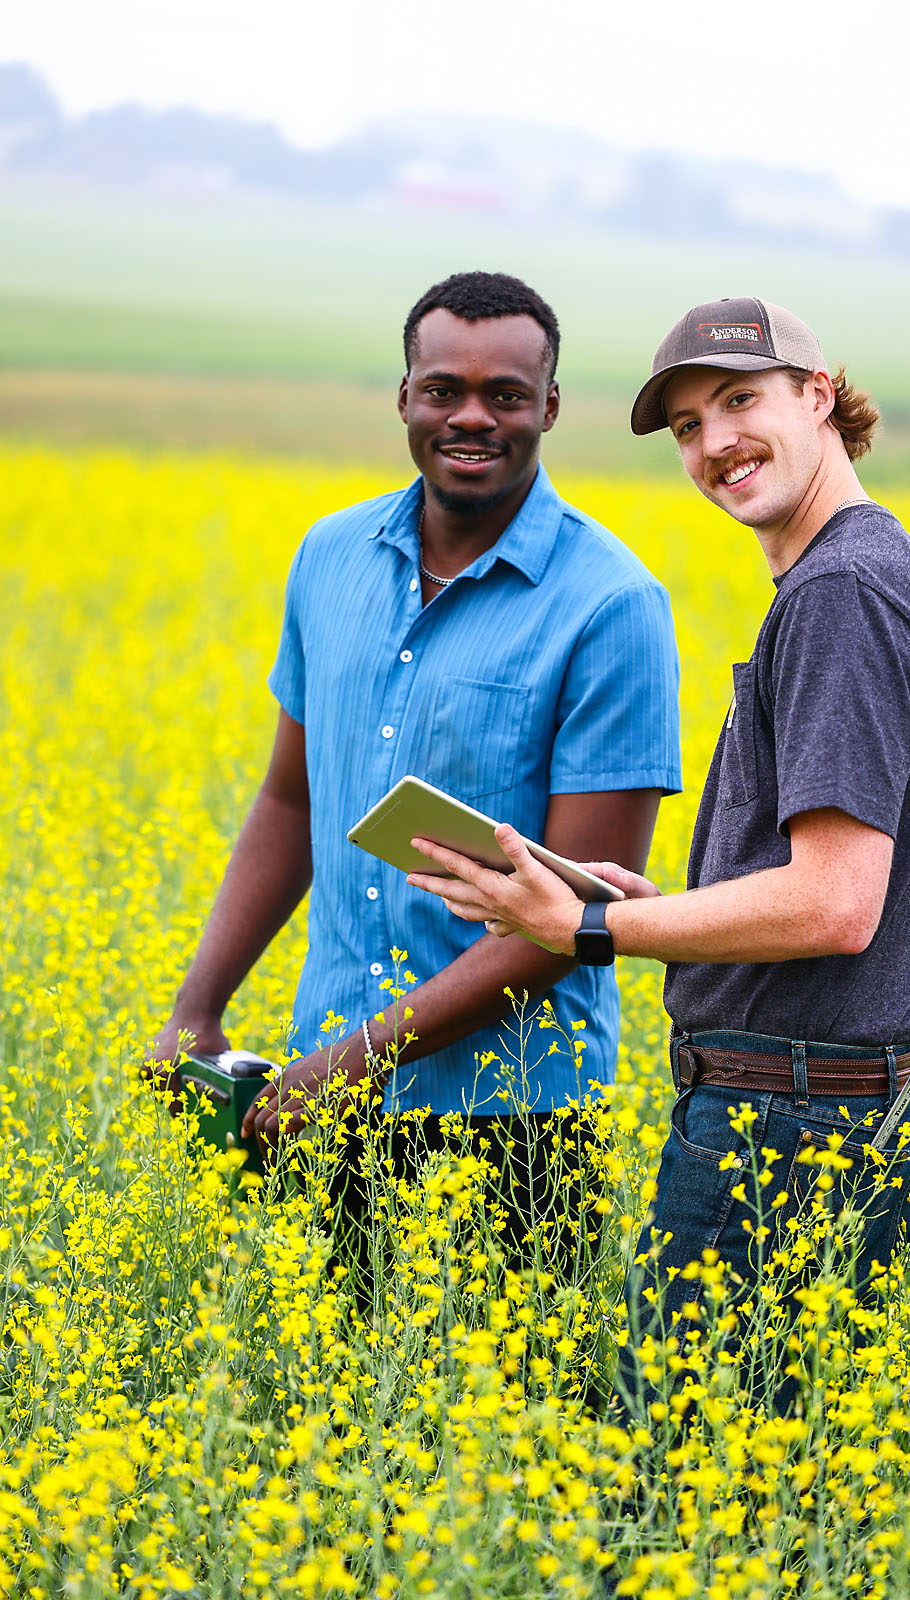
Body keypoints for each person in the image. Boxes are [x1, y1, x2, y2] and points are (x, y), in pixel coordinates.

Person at [406, 294, 910, 1416]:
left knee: (660, 1496)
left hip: (784, 1124)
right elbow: (819, 894)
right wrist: (671, 909)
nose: (713, 444)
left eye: (738, 401)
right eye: (684, 426)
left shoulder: (841, 595)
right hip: (838, 1113)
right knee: (769, 1491)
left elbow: (832, 906)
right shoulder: (864, 571)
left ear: (819, 398)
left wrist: (581, 924)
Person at [150, 271, 682, 1274]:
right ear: (403, 395)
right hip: (328, 1090)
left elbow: (578, 920)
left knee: (516, 1419)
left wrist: (343, 1068)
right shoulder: (329, 557)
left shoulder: (611, 605)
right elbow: (291, 796)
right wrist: (197, 1009)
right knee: (349, 1410)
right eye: (442, 389)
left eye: (506, 395)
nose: (470, 417)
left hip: (518, 1118)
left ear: (550, 409)